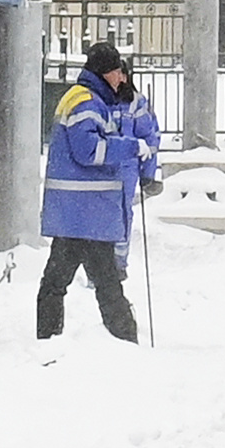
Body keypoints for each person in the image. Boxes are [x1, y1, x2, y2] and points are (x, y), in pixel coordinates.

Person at [39, 43, 161, 342]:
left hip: (78, 213)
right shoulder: (86, 103)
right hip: (85, 212)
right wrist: (132, 147)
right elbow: (89, 150)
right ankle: (124, 340)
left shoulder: (85, 99)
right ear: (106, 73)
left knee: (58, 282)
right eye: (118, 72)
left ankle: (50, 338)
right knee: (104, 283)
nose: (122, 78)